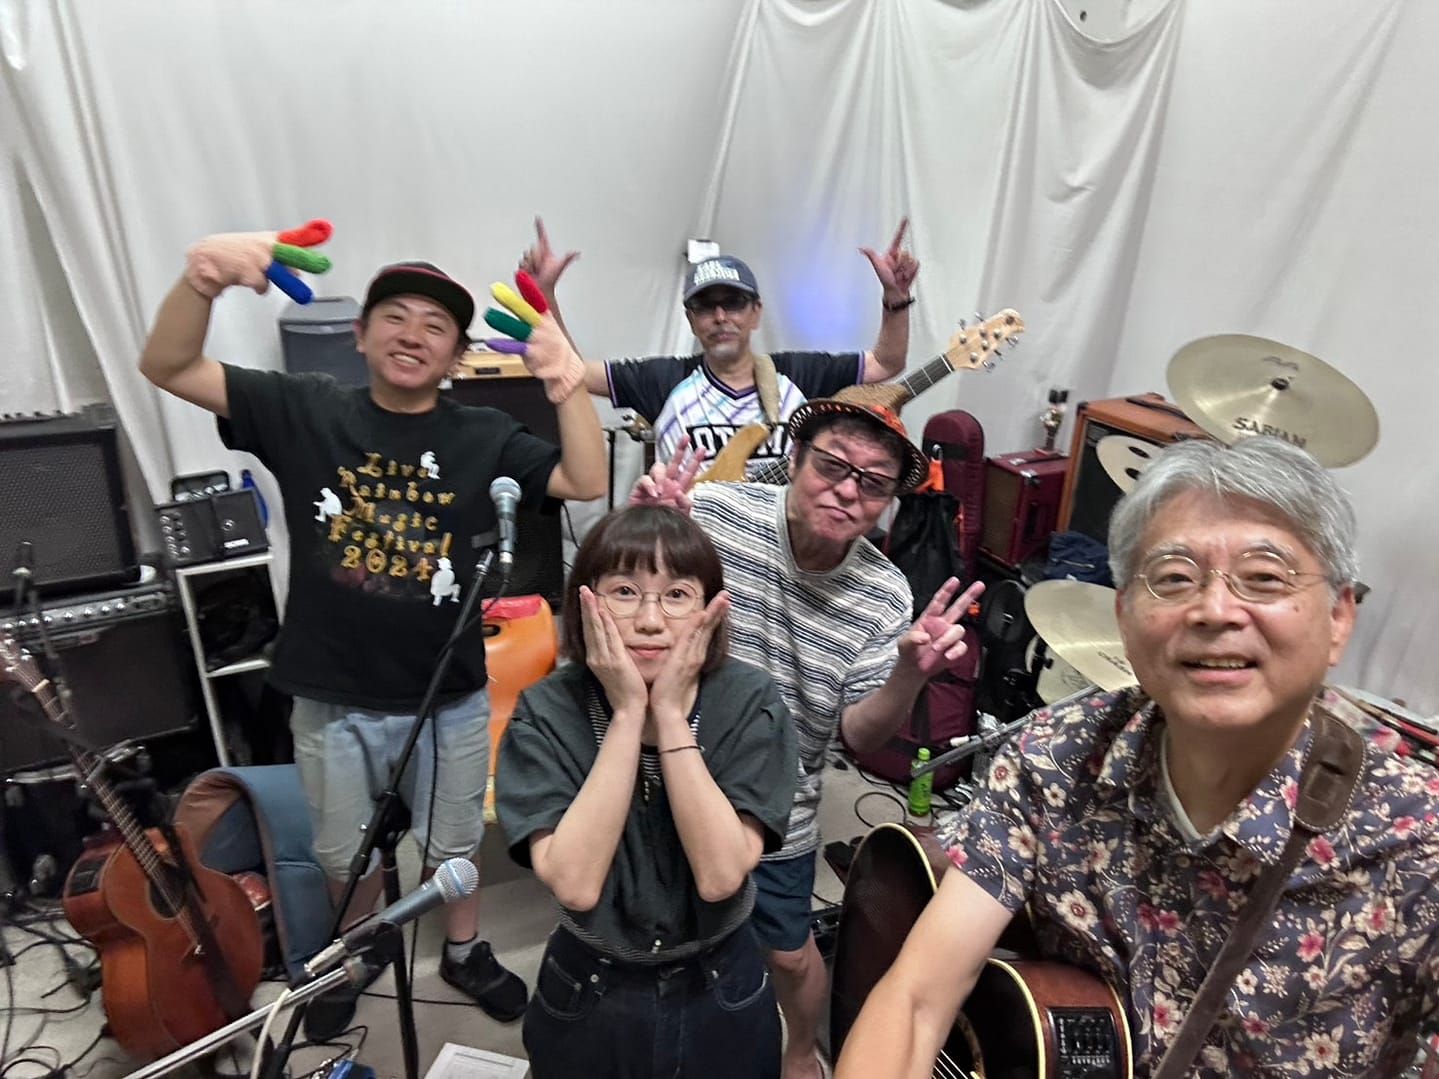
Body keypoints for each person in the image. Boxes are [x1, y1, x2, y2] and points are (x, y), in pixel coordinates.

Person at [835, 435, 1439, 1078]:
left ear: (1339, 617)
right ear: (1123, 616)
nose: (1214, 610)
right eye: (1174, 578)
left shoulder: (1419, 842)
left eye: (1265, 578)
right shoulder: (1054, 756)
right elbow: (916, 998)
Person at [139, 233, 607, 1035]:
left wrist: (566, 379)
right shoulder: (307, 408)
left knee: (454, 844)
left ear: (455, 355)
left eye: (435, 324)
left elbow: (586, 479)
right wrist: (202, 280)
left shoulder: (483, 433)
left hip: (448, 693)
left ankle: (462, 950)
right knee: (340, 852)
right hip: (330, 692)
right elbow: (168, 365)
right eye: (394, 315)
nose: (412, 333)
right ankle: (354, 956)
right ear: (359, 335)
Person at [633, 403, 985, 1079]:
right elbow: (634, 600)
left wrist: (909, 675)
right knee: (663, 933)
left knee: (789, 955)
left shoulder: (884, 593)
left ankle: (798, 1048)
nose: (848, 490)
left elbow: (857, 735)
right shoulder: (715, 513)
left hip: (778, 803)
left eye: (873, 483)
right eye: (831, 466)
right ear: (794, 461)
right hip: (669, 770)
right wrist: (652, 530)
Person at [494, 505, 798, 1078]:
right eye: (625, 592)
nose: (651, 621)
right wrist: (630, 712)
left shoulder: (750, 699)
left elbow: (720, 875)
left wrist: (671, 716)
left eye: (678, 595)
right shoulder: (546, 709)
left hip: (721, 981)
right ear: (586, 603)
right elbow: (576, 884)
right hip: (589, 983)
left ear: (710, 609)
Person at [519, 216, 920, 474]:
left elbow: (886, 364)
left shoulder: (797, 374)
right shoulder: (663, 380)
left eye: (734, 303)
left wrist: (896, 297)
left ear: (756, 313)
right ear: (691, 320)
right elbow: (571, 371)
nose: (721, 316)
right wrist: (545, 296)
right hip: (696, 553)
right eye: (705, 306)